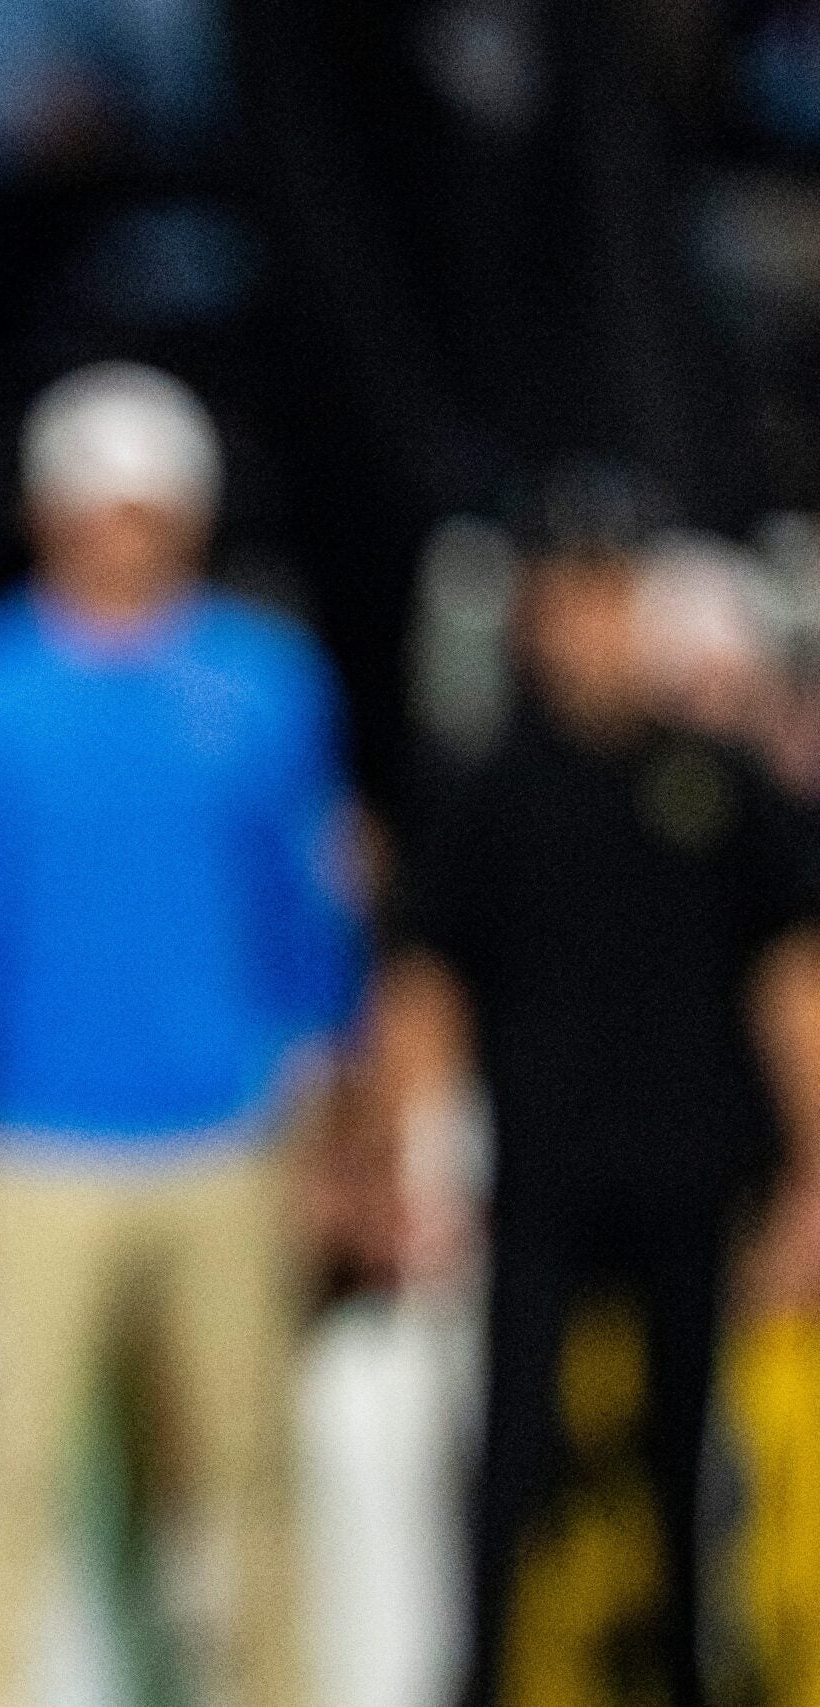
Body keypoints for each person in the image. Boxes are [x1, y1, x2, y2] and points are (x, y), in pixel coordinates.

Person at [0, 362, 364, 1707]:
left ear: (184, 515)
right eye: (96, 505)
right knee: (6, 1471)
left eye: (143, 505)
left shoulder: (264, 683)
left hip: (227, 1133)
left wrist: (328, 1136)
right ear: (50, 512)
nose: (118, 531)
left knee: (249, 1468)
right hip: (30, 1142)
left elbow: (306, 926)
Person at [377, 467, 820, 1707]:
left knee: (693, 1459)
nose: (586, 622)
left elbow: (788, 977)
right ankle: (480, 1679)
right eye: (563, 597)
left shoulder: (719, 782)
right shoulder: (486, 787)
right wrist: (418, 1161)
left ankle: (691, 1679)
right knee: (508, 1460)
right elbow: (428, 984)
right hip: (539, 1178)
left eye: (609, 593)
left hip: (692, 1171)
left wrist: (812, 1170)